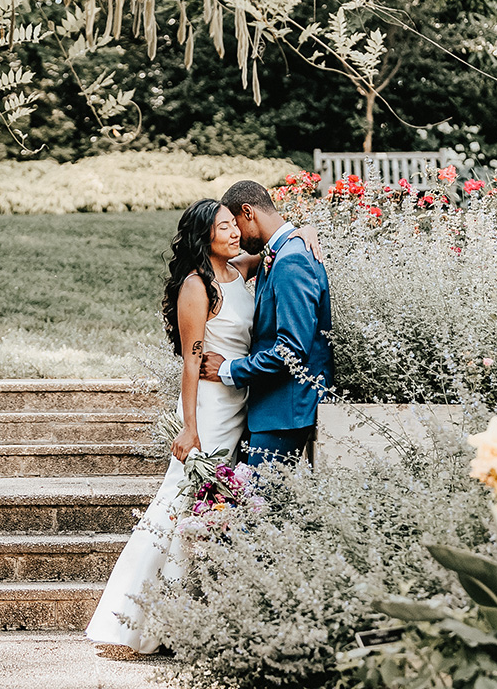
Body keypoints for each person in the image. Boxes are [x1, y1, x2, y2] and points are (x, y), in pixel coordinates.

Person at [85, 198, 321, 654]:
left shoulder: (239, 269)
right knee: (181, 502)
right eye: (224, 228)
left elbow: (277, 244)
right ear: (204, 237)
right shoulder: (196, 286)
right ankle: (136, 619)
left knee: (213, 509)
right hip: (209, 408)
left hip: (241, 401)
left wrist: (304, 231)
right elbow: (191, 363)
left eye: (235, 225)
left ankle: (188, 614)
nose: (235, 233)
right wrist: (188, 427)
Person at [201, 180, 333, 467]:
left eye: (235, 224)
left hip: (285, 410)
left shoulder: (291, 260)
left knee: (259, 495)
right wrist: (305, 228)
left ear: (248, 212)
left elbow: (291, 351)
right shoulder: (278, 253)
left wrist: (227, 369)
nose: (236, 235)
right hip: (270, 409)